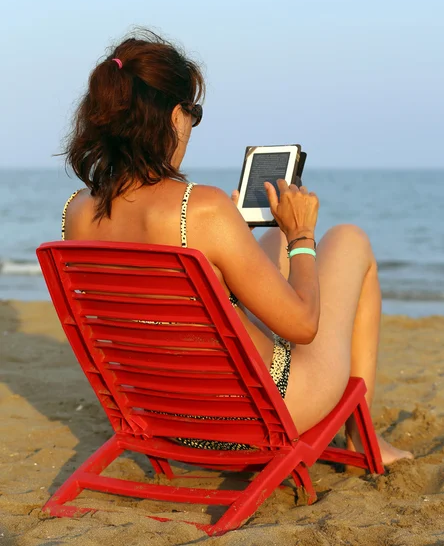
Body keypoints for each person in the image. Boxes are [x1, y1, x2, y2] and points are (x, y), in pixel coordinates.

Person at [62, 30, 413, 464]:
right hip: (257, 417)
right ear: (174, 117)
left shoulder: (78, 211)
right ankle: (362, 438)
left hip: (162, 419)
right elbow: (303, 326)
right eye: (193, 113)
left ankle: (276, 241)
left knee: (269, 237)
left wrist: (234, 236)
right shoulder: (201, 208)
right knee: (348, 240)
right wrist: (303, 235)